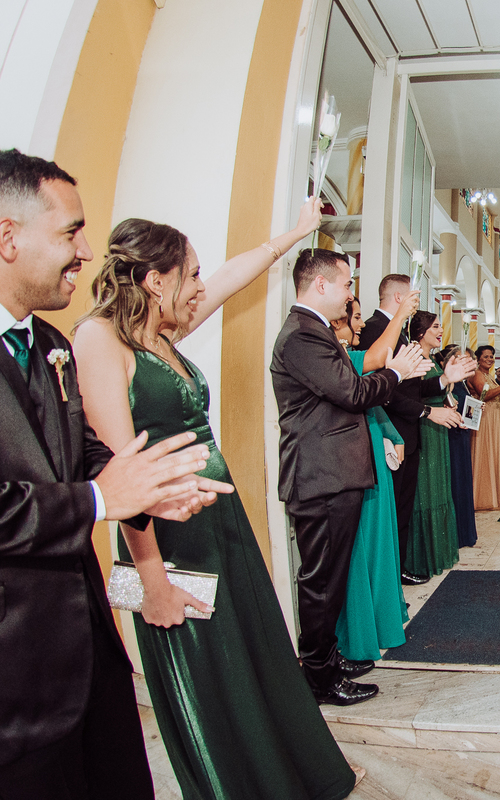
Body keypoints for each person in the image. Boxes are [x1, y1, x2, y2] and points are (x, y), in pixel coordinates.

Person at [75, 206, 390, 797]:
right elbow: (126, 478)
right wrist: (152, 581)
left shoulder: (161, 335)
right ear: (155, 280)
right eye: (190, 276)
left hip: (220, 519)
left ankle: (285, 772)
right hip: (167, 535)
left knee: (253, 649)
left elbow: (230, 278)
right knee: (210, 669)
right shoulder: (100, 339)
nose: (200, 287)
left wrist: (292, 236)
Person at [0, 149, 231, 800]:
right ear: (7, 236)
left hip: (88, 648)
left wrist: (152, 488)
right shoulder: (88, 340)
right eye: (70, 231)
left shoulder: (47, 346)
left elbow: (82, 453)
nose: (84, 253)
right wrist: (104, 498)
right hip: (15, 670)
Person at [272, 249, 426, 708]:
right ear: (320, 285)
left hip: (333, 473)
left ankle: (328, 658)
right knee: (321, 581)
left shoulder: (314, 332)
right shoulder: (303, 335)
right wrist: (398, 371)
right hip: (320, 476)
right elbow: (354, 393)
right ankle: (318, 676)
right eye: (345, 284)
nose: (350, 293)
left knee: (332, 578)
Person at [356, 274, 470, 586]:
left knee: (401, 511)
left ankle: (397, 573)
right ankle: (387, 580)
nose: (416, 304)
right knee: (391, 511)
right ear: (397, 298)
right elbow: (384, 392)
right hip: (390, 434)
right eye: (413, 298)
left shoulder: (400, 335)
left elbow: (413, 388)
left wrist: (446, 379)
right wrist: (427, 411)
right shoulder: (375, 331)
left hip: (409, 434)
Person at [331, 297, 412, 661]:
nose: (361, 325)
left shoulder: (348, 355)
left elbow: (374, 405)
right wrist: (400, 316)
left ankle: (380, 619)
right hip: (352, 458)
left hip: (373, 454)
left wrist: (393, 436)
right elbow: (369, 382)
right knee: (361, 548)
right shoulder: (336, 359)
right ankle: (361, 631)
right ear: (339, 322)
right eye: (357, 318)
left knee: (379, 543)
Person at [406, 310, 462, 576]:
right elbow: (415, 394)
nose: (441, 331)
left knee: (439, 487)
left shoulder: (431, 358)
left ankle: (439, 549)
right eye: (436, 327)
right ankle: (419, 557)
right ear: (420, 331)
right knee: (424, 490)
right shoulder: (413, 357)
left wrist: (451, 404)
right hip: (425, 426)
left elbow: (438, 389)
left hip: (439, 425)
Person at [469, 343, 500, 510]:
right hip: (484, 418)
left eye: (491, 356)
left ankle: (495, 493)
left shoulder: (489, 376)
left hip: (495, 416)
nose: (489, 359)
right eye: (486, 356)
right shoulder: (476, 374)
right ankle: (483, 496)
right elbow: (485, 395)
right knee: (485, 452)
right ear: (478, 359)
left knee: (495, 452)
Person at [441, 344, 478, 548]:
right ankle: (457, 533)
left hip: (461, 434)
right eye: (460, 359)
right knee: (456, 480)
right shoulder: (450, 382)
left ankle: (465, 532)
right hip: (452, 436)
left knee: (463, 479)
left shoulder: (462, 383)